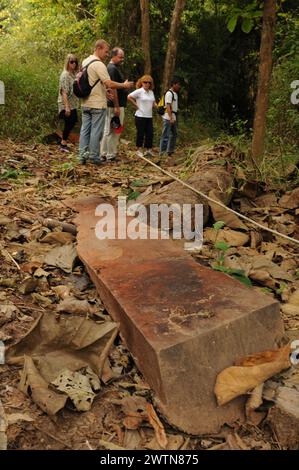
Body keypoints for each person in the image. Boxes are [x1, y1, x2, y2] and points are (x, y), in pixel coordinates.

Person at [79, 40, 133, 165]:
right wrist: (124, 85)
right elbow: (109, 83)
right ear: (98, 48)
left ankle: (82, 156)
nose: (107, 54)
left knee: (85, 130)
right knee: (96, 132)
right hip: (97, 104)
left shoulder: (85, 61)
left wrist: (105, 92)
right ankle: (94, 157)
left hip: (85, 102)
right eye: (106, 51)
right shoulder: (99, 64)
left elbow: (93, 81)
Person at [100, 47, 127, 162]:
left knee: (108, 129)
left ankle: (104, 153)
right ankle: (110, 155)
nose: (122, 59)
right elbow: (113, 88)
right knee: (115, 130)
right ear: (114, 56)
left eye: (123, 57)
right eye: (120, 57)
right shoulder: (112, 69)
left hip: (113, 104)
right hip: (115, 105)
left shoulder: (112, 68)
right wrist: (116, 106)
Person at [127, 75, 156, 157]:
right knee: (140, 133)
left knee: (150, 133)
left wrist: (159, 107)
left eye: (149, 82)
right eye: (145, 82)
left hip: (149, 116)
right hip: (140, 115)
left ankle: (148, 150)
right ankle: (138, 150)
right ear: (141, 82)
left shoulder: (151, 92)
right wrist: (136, 105)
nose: (147, 84)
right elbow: (129, 97)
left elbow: (153, 103)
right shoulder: (139, 91)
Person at [58, 54, 80, 152]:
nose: (74, 64)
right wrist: (67, 107)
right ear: (67, 62)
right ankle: (63, 143)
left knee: (72, 121)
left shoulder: (73, 74)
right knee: (69, 122)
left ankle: (63, 142)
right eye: (71, 62)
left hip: (73, 103)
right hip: (66, 103)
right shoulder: (65, 75)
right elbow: (64, 91)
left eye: (75, 62)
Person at [159, 77, 181, 156]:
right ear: (173, 84)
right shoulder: (169, 93)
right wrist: (171, 117)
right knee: (166, 135)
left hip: (173, 116)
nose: (179, 86)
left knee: (174, 134)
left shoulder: (175, 94)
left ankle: (170, 151)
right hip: (168, 117)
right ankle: (162, 152)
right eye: (178, 85)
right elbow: (168, 106)